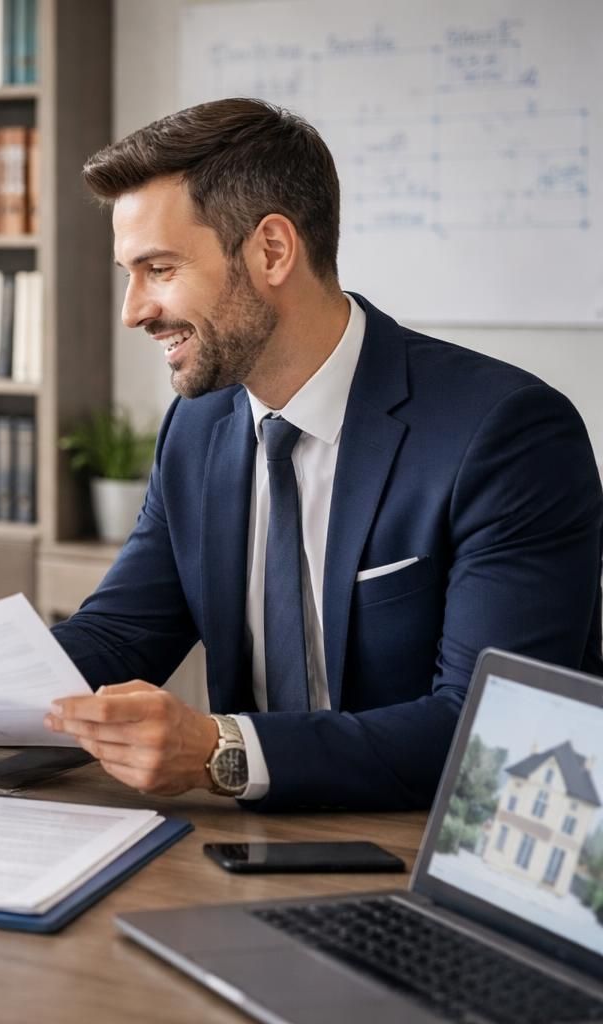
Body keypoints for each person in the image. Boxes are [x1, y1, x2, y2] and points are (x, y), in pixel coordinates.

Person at [36, 98, 603, 810]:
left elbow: (491, 730)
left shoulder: (505, 434)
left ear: (272, 250)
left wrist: (221, 751)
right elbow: (120, 633)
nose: (134, 310)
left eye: (159, 269)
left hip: (419, 852)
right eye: (131, 273)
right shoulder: (197, 427)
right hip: (245, 852)